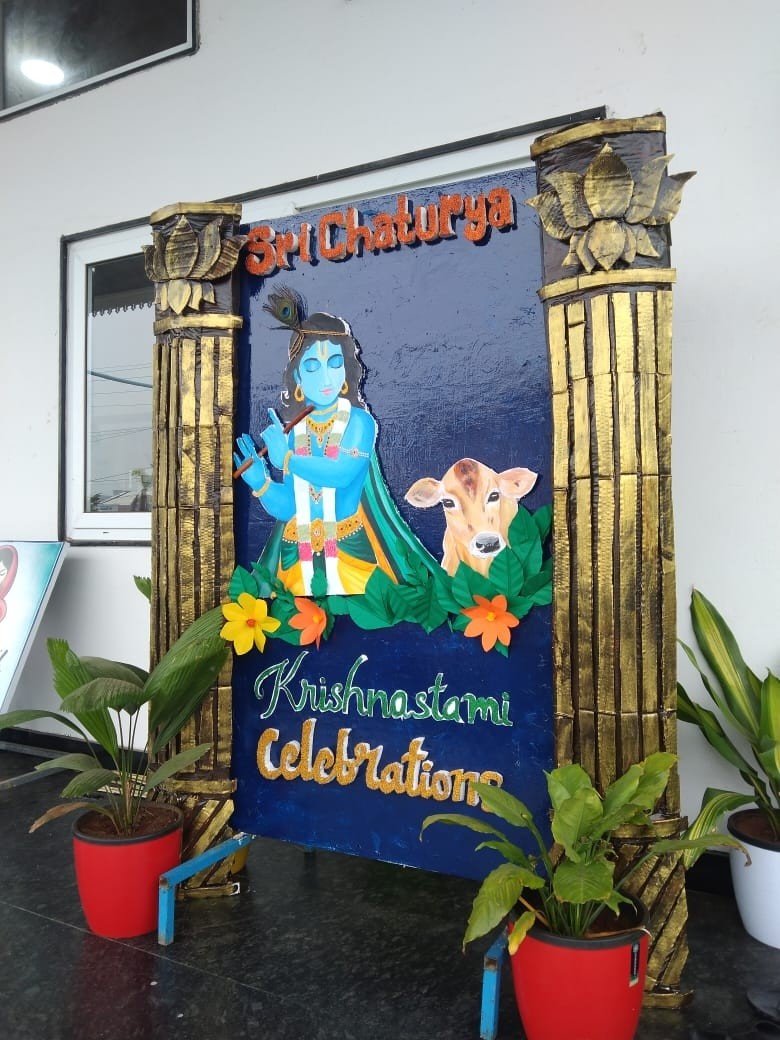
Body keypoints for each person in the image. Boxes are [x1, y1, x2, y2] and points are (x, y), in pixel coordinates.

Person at [234, 291, 434, 597]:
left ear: (346, 370)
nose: (326, 377)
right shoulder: (294, 433)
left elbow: (342, 473)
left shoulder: (359, 422)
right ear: (297, 377)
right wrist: (261, 483)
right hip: (295, 566)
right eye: (312, 366)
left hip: (351, 560)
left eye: (335, 363)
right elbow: (290, 507)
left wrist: (288, 459)